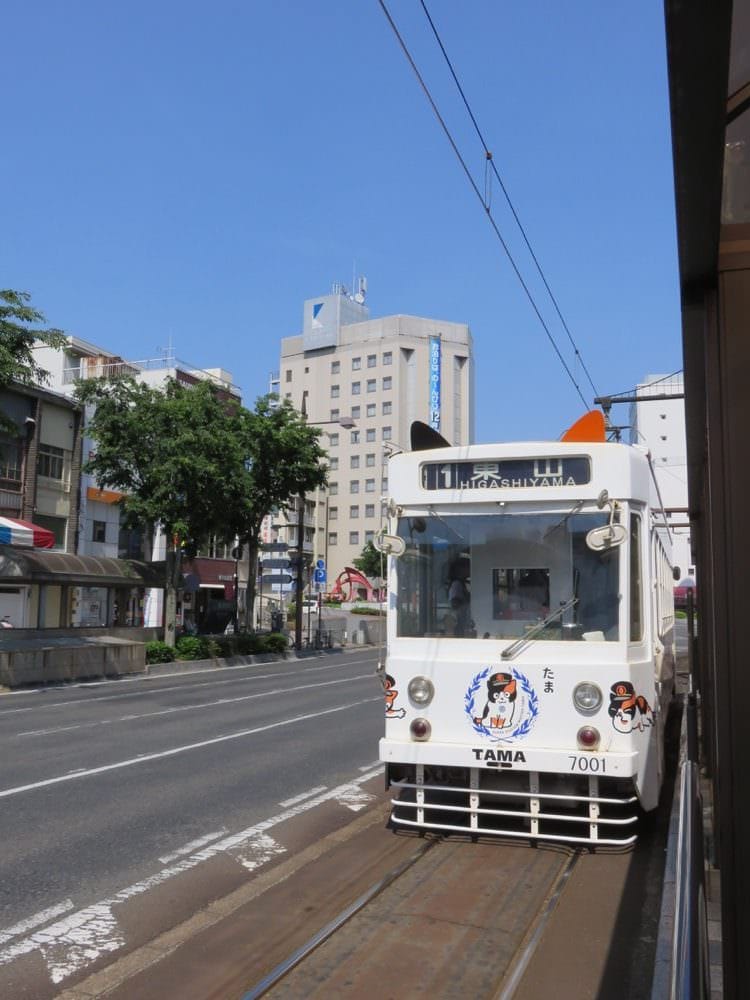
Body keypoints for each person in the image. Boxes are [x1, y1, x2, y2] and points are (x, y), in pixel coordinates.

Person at [448, 556, 471, 636]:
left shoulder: (463, 583)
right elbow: (454, 602)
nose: (469, 570)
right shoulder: (457, 584)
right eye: (467, 567)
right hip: (459, 618)